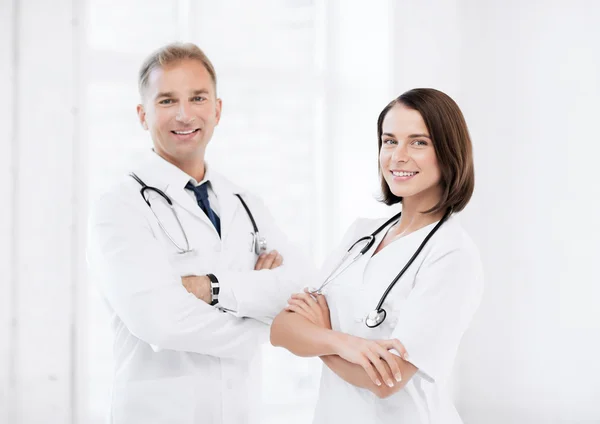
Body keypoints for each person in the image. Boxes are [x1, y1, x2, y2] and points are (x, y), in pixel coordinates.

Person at [87, 42, 309, 424]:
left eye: (198, 98)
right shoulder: (120, 207)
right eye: (167, 101)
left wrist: (210, 287)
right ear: (143, 115)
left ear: (217, 109)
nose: (185, 114)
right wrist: (269, 323)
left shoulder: (247, 203)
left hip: (242, 411)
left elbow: (300, 287)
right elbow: (160, 321)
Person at [270, 88, 484, 423]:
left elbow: (386, 380)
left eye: (418, 142)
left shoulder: (451, 255)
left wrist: (320, 335)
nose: (398, 156)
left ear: (448, 152)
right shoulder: (362, 234)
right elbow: (282, 328)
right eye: (389, 141)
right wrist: (341, 343)